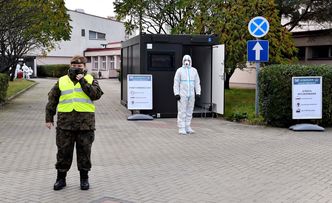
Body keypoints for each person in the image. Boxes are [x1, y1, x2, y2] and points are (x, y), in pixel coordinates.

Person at [45, 55, 104, 191]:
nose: (76, 68)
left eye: (79, 66)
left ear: (84, 67)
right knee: (63, 152)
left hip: (85, 124)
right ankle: (61, 179)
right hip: (65, 124)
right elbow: (52, 100)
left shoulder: (90, 79)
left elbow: (96, 95)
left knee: (84, 152)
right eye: (74, 66)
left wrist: (83, 81)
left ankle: (84, 179)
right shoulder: (62, 81)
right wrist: (49, 118)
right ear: (70, 66)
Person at [173, 55, 201, 135]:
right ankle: (181, 127)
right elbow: (176, 83)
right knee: (182, 111)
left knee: (190, 111)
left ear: (190, 61)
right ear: (183, 61)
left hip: (191, 94)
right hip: (182, 94)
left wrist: (198, 92)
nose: (187, 61)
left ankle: (187, 126)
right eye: (185, 60)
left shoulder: (194, 71)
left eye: (188, 60)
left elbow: (197, 82)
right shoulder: (179, 71)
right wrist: (176, 93)